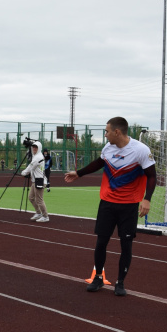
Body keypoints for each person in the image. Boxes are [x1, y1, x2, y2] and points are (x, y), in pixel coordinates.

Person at [64, 117, 156, 296]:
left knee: (126, 244)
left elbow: (152, 176)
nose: (105, 135)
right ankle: (98, 277)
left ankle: (120, 282)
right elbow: (100, 163)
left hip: (129, 205)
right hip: (107, 202)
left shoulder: (141, 151)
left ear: (117, 132)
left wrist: (147, 199)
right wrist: (79, 173)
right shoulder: (108, 148)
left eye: (106, 131)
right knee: (101, 241)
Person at [21, 141, 49, 223]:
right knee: (31, 197)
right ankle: (38, 213)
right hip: (35, 181)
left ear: (39, 148)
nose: (34, 149)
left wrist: (24, 172)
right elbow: (31, 160)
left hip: (40, 180)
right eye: (33, 147)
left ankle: (45, 216)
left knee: (39, 200)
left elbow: (31, 166)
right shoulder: (35, 156)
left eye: (36, 147)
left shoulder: (38, 157)